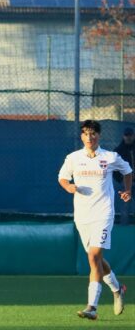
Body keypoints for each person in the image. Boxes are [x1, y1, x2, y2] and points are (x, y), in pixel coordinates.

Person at [58, 120, 131, 321]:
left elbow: (127, 171)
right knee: (95, 258)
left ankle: (92, 307)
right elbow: (62, 177)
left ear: (99, 135)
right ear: (81, 136)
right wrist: (68, 187)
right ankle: (117, 289)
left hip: (103, 213)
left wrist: (127, 190)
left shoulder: (110, 157)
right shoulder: (73, 158)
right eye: (86, 134)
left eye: (93, 134)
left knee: (93, 257)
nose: (90, 137)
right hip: (82, 215)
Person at [113, 127, 135, 225]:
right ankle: (124, 227)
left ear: (133, 136)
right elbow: (114, 168)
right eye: (127, 135)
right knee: (125, 205)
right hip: (126, 183)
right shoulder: (118, 151)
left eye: (130, 135)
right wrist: (121, 180)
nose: (128, 138)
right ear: (123, 136)